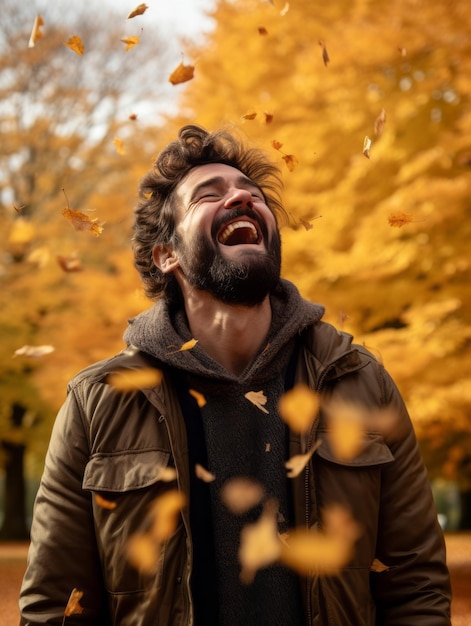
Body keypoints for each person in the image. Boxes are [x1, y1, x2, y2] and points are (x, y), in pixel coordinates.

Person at [19, 125, 451, 626]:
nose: (243, 199)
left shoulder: (360, 382)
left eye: (254, 195)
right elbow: (57, 605)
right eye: (210, 195)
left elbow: (416, 588)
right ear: (167, 255)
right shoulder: (99, 402)